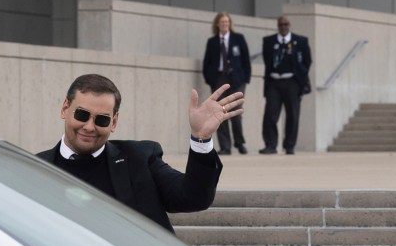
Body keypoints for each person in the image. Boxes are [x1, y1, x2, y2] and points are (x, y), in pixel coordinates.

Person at [37, 73, 244, 233]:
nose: (89, 127)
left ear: (114, 122)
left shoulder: (139, 158)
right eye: (82, 115)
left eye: (101, 120)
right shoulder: (32, 169)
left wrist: (201, 139)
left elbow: (193, 198)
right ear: (65, 109)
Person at [259, 15, 312, 155]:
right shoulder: (269, 41)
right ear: (277, 26)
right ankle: (270, 145)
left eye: (286, 24)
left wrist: (300, 77)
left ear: (289, 25)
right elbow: (267, 60)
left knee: (292, 115)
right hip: (274, 81)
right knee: (270, 114)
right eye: (281, 24)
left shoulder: (300, 41)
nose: (283, 27)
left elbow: (307, 61)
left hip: (292, 82)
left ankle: (289, 145)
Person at [202, 12, 251, 155]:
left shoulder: (238, 39)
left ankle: (239, 143)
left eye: (227, 22)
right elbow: (207, 62)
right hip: (218, 79)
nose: (225, 25)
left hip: (237, 80)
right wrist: (209, 78)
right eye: (222, 22)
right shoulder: (212, 42)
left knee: (236, 112)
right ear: (217, 24)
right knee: (220, 112)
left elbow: (246, 60)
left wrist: (245, 78)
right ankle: (225, 146)